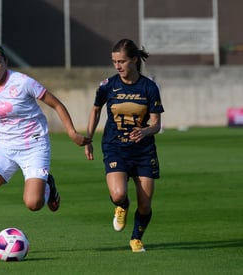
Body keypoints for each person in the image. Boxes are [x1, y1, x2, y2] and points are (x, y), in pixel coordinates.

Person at [0, 43, 91, 260]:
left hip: (35, 145)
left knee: (33, 204)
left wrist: (72, 133)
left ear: (5, 62)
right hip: (5, 148)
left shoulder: (23, 82)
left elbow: (56, 104)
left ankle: (48, 184)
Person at [84, 38, 164, 252]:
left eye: (122, 61)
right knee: (119, 194)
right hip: (115, 147)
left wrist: (145, 131)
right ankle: (122, 206)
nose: (117, 66)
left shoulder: (149, 87)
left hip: (143, 151)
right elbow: (96, 110)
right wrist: (89, 138)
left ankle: (136, 238)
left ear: (134, 60)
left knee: (145, 204)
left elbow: (156, 125)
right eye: (114, 61)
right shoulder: (108, 86)